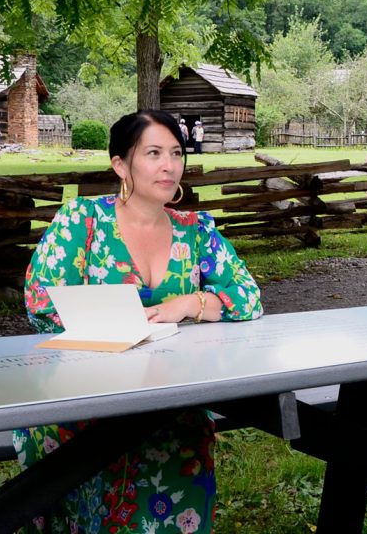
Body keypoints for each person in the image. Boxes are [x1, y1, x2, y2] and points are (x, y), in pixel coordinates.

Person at [16, 110, 263, 533]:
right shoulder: (82, 221)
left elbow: (248, 298)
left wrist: (191, 302)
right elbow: (42, 301)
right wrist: (124, 322)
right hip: (81, 407)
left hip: (170, 409)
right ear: (120, 165)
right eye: (153, 153)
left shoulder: (196, 231)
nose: (169, 165)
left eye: (176, 153)